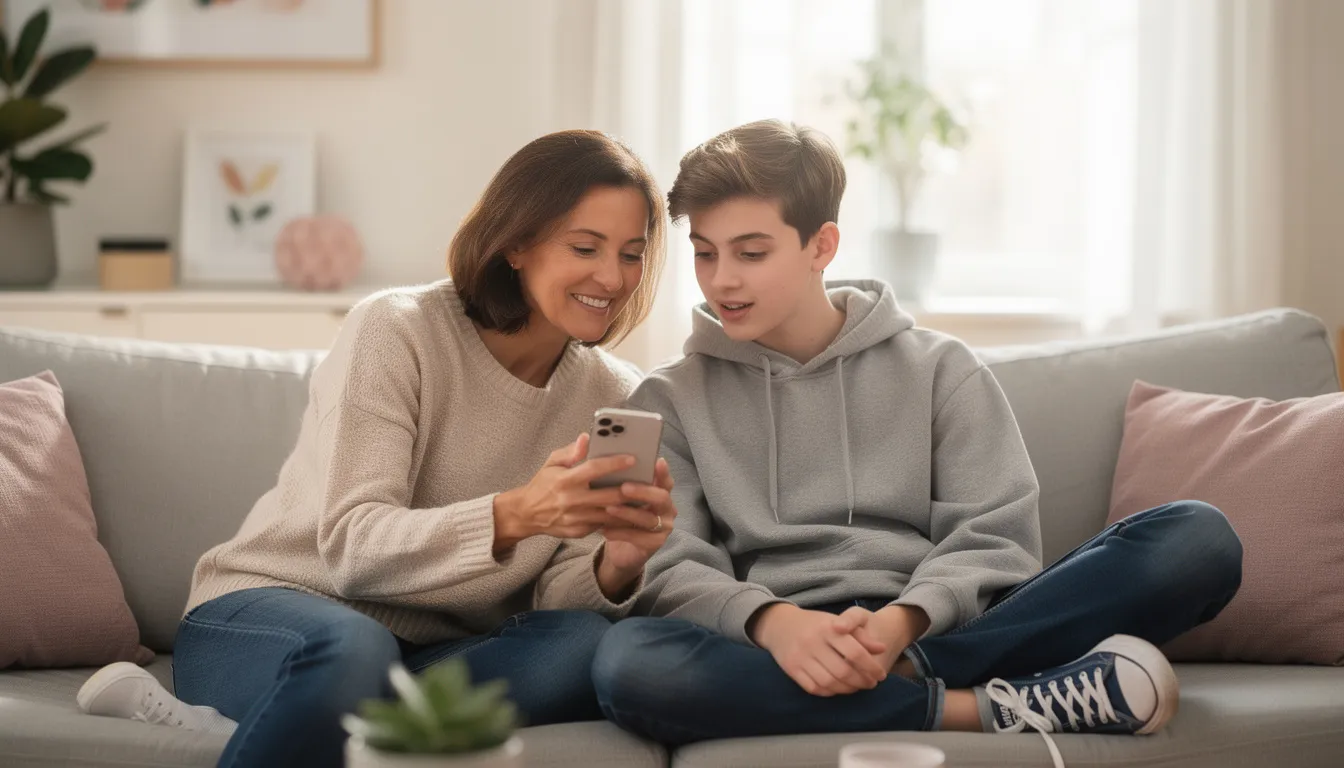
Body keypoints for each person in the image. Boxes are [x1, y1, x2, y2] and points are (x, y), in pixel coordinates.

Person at [591, 120, 1242, 762]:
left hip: (943, 624)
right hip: (774, 642)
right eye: (705, 253)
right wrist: (777, 625)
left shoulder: (941, 368)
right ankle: (980, 708)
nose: (721, 280)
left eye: (750, 253)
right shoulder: (667, 399)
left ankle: (905, 676)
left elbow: (996, 536)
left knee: (1197, 539)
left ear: (822, 246)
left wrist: (900, 627)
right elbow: (668, 567)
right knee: (630, 663)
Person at [75, 130, 681, 768]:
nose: (612, 277)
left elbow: (554, 601)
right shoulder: (398, 329)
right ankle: (313, 712)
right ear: (516, 244)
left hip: (426, 657)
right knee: (355, 650)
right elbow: (352, 550)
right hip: (277, 615)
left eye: (632, 255)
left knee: (585, 644)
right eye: (585, 247)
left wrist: (616, 565)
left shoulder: (615, 393)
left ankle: (274, 723)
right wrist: (516, 514)